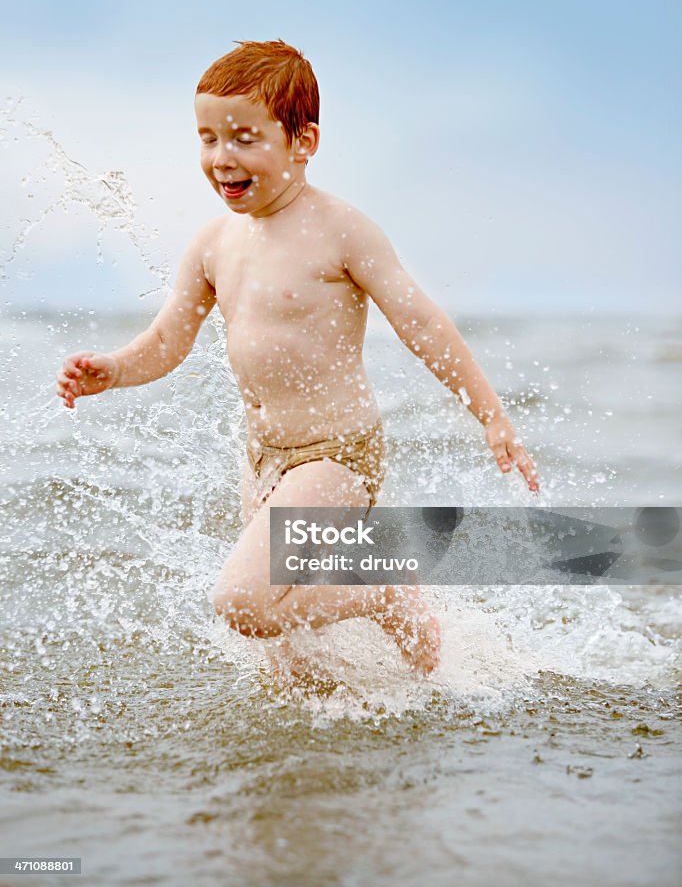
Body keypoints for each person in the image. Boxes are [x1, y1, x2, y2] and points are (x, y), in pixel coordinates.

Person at [56, 39, 540, 675]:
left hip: (335, 455)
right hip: (262, 460)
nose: (221, 157)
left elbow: (421, 323)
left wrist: (491, 416)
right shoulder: (212, 243)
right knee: (289, 664)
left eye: (245, 138)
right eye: (207, 138)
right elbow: (168, 342)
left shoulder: (341, 231)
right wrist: (115, 371)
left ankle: (382, 589)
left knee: (244, 602)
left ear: (302, 141)